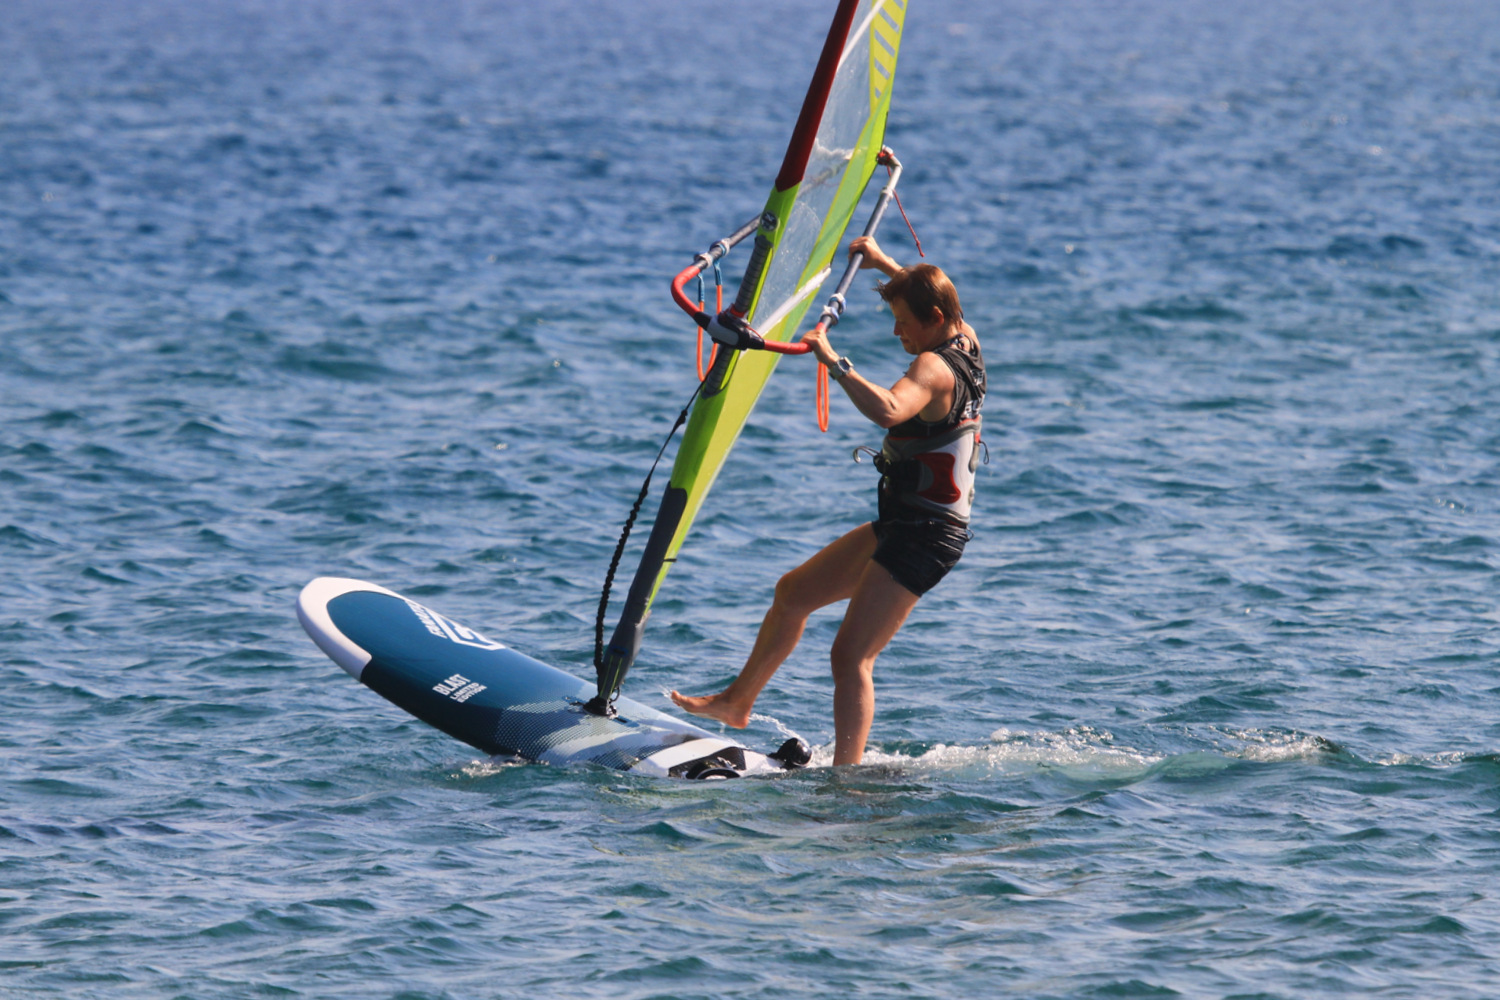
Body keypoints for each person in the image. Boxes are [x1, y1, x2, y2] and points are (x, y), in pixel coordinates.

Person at [671, 235, 986, 765]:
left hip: (925, 537)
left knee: (850, 656)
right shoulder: (966, 338)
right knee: (793, 593)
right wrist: (886, 264)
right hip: (906, 523)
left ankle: (848, 776)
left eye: (903, 323)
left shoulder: (933, 368)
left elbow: (890, 410)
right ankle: (737, 702)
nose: (897, 332)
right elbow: (933, 293)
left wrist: (834, 362)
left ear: (934, 319)